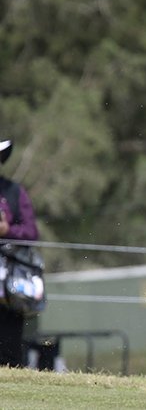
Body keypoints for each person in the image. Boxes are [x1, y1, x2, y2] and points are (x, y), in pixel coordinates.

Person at [0, 139, 39, 367]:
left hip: (9, 281)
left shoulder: (14, 192)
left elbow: (31, 231)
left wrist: (7, 231)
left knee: (10, 342)